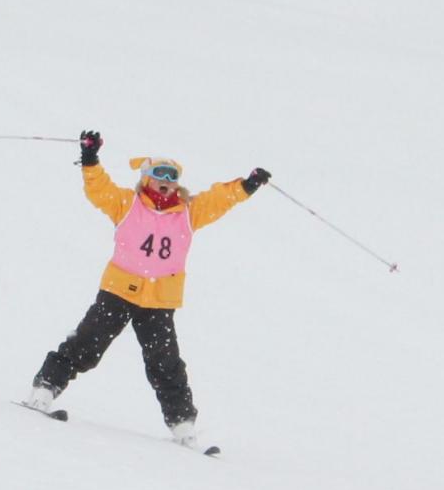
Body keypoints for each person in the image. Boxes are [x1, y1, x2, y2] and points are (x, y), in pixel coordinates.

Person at [26, 129, 271, 449]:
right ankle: (46, 387)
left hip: (159, 299)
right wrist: (90, 158)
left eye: (172, 177)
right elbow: (99, 189)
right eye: (159, 176)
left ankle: (182, 423)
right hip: (119, 290)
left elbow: (218, 200)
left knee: (165, 360)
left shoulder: (187, 212)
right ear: (146, 179)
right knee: (88, 341)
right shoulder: (126, 203)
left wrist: (246, 185)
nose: (166, 182)